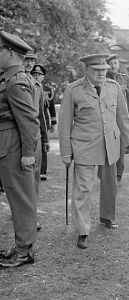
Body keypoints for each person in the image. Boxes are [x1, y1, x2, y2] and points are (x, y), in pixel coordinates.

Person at [59, 53, 129, 249]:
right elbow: (64, 124)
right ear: (86, 70)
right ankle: (83, 230)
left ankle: (107, 217)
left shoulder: (114, 88)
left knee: (110, 185)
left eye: (104, 70)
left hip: (110, 145)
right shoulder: (74, 90)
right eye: (96, 71)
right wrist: (65, 153)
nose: (101, 74)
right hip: (84, 146)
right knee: (83, 189)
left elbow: (123, 117)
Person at [0, 31, 39, 267]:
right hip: (7, 145)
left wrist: (27, 154)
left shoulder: (17, 81)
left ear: (11, 53)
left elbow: (29, 122)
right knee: (17, 198)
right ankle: (20, 247)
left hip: (14, 147)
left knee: (21, 199)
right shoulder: (7, 78)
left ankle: (24, 251)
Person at [23, 45, 49, 231]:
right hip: (17, 138)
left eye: (32, 60)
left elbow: (39, 115)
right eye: (26, 59)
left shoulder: (37, 86)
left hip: (35, 139)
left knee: (33, 181)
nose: (29, 64)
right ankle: (23, 216)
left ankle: (31, 215)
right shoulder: (9, 81)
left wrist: (45, 139)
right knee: (19, 182)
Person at [106, 54, 129, 183]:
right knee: (107, 146)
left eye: (115, 63)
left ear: (119, 65)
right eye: (111, 63)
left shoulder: (124, 79)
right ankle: (107, 173)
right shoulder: (103, 79)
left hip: (121, 118)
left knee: (120, 147)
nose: (113, 66)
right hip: (108, 118)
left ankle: (118, 174)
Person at [31, 64, 57, 181]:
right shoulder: (28, 86)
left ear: (43, 77)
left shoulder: (47, 90)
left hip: (44, 121)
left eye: (39, 75)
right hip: (32, 120)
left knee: (43, 146)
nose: (36, 76)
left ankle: (42, 171)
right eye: (34, 74)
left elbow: (51, 108)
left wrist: (53, 123)